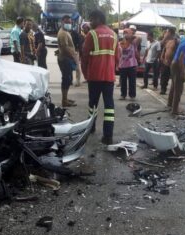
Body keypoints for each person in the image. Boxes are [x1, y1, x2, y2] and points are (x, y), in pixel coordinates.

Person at [82, 10, 119, 145]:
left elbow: (84, 56)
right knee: (109, 105)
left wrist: (85, 74)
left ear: (98, 18)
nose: (90, 22)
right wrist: (113, 69)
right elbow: (117, 56)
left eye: (91, 19)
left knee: (93, 103)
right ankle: (108, 136)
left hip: (95, 76)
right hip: (109, 76)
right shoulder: (114, 34)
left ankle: (90, 128)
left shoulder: (91, 34)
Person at [57, 15, 79, 107]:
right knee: (66, 79)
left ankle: (65, 99)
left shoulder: (66, 32)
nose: (69, 24)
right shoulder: (63, 33)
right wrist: (73, 57)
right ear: (62, 22)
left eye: (70, 22)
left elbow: (63, 47)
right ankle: (64, 101)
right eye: (67, 22)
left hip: (66, 58)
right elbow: (65, 48)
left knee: (68, 79)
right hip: (65, 59)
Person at [118, 28, 138, 100]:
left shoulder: (134, 43)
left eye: (127, 33)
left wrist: (131, 37)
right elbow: (119, 54)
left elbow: (138, 38)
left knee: (132, 81)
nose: (125, 34)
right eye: (124, 33)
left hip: (132, 65)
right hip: (123, 65)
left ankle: (132, 95)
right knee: (123, 81)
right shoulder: (120, 43)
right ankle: (123, 95)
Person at [159, 28, 178, 95]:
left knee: (174, 77)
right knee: (164, 76)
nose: (166, 33)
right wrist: (162, 55)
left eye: (167, 32)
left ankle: (174, 91)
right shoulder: (167, 41)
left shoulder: (176, 41)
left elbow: (179, 51)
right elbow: (163, 48)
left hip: (173, 62)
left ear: (170, 33)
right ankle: (163, 89)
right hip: (165, 62)